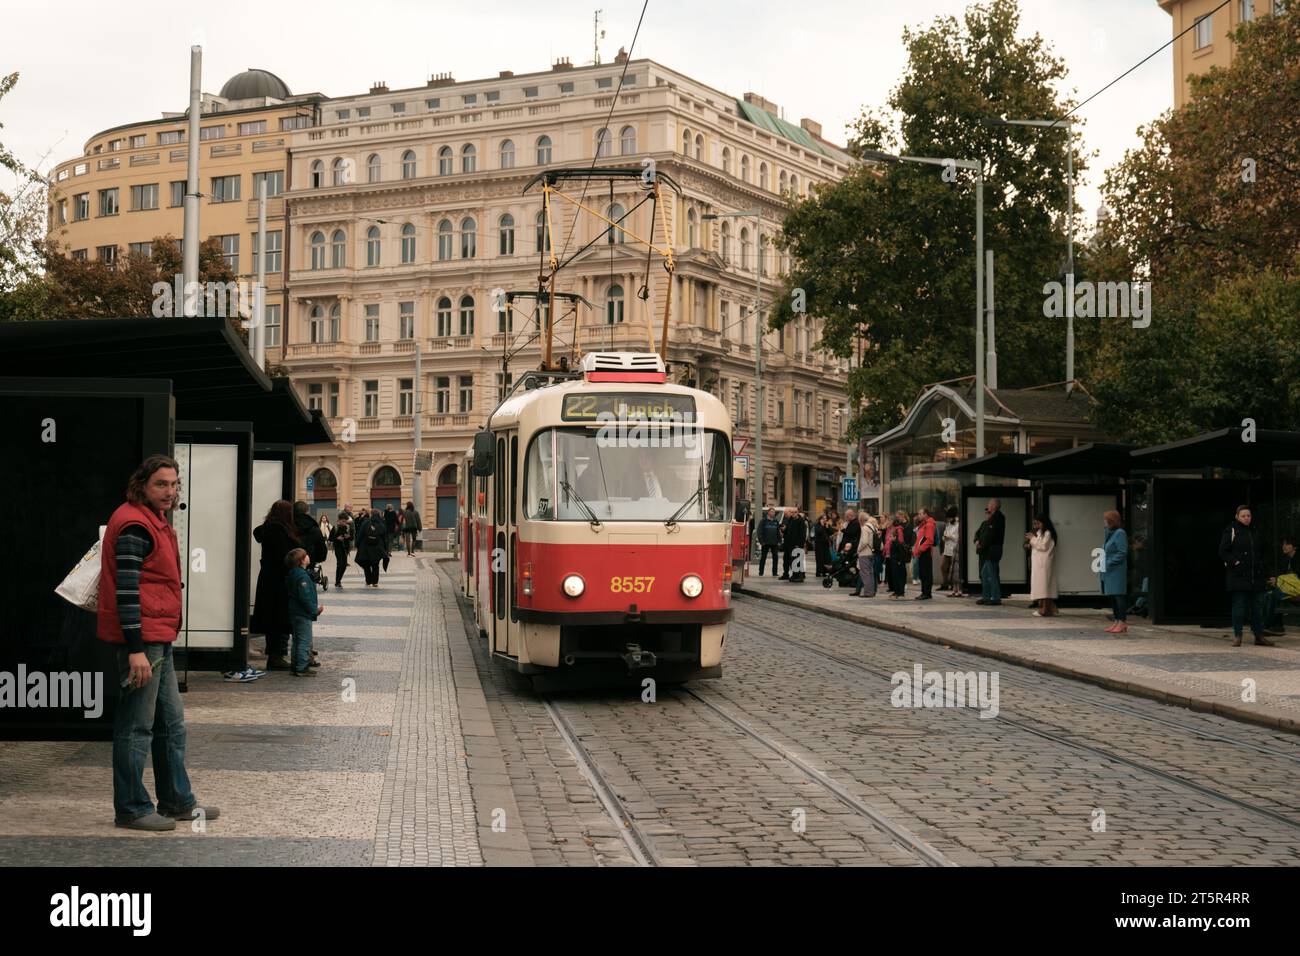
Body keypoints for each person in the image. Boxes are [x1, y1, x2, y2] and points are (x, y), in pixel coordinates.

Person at [98, 454, 219, 831]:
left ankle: (177, 801)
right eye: (161, 484)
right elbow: (127, 592)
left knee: (171, 724)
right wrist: (135, 649)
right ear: (143, 485)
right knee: (136, 726)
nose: (169, 491)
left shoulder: (154, 520)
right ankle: (132, 808)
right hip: (143, 640)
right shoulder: (136, 524)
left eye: (173, 484)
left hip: (158, 636)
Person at [1218, 505, 1275, 647]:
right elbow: (1223, 551)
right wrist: (1236, 563)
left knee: (1258, 607)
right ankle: (1238, 635)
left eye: (1248, 515)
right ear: (1237, 516)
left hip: (1256, 575)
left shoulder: (1255, 531)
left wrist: (1266, 570)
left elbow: (1264, 550)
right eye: (1243, 516)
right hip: (1239, 576)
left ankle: (1259, 635)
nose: (1246, 518)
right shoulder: (1231, 530)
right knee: (1239, 606)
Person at [252, 500, 299, 669]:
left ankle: (275, 654)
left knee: (274, 619)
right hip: (279, 581)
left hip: (268, 579)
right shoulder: (279, 530)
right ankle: (275, 657)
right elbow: (284, 556)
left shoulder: (269, 527)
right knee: (279, 618)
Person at [285, 548, 323, 676]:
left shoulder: (294, 573)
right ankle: (302, 667)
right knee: (304, 641)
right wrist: (315, 610)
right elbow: (305, 597)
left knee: (297, 640)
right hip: (302, 613)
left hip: (295, 612)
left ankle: (295, 666)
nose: (308, 557)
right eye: (306, 555)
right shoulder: (302, 576)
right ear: (301, 561)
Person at [1101, 509, 1129, 634]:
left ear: (1111, 520)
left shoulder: (1120, 533)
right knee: (1112, 596)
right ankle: (1117, 621)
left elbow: (1122, 552)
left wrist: (1110, 562)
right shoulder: (1110, 533)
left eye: (1106, 519)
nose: (1104, 522)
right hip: (1109, 571)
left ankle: (1122, 621)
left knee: (1119, 596)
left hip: (1116, 571)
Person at [1260, 535, 1296, 635]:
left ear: (1294, 547)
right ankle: (1276, 625)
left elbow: (1295, 579)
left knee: (1272, 595)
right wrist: (1276, 580)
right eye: (1283, 544)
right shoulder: (1286, 560)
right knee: (1267, 594)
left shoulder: (1297, 560)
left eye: (1287, 544)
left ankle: (1266, 626)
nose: (1284, 546)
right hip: (1288, 589)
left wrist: (1279, 581)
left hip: (1295, 590)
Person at [1026, 514, 1059, 617]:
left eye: (1038, 523)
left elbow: (1043, 546)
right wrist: (1029, 542)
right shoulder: (1039, 532)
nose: (1036, 525)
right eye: (1035, 523)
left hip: (1044, 564)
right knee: (1041, 586)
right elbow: (1036, 544)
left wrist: (1032, 539)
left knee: (1044, 587)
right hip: (1038, 563)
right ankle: (1046, 609)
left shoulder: (1048, 533)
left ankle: (1045, 609)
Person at [974, 499, 1006, 606]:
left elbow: (991, 536)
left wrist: (982, 545)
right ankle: (986, 596)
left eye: (989, 505)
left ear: (994, 506)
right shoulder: (988, 521)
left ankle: (995, 597)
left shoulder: (998, 518)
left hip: (993, 550)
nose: (988, 508)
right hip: (987, 550)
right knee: (984, 573)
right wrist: (978, 541)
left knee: (991, 574)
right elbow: (979, 534)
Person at [355, 505, 388, 588]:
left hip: (365, 547)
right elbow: (384, 537)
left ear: (371, 515)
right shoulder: (381, 524)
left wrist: (357, 545)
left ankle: (368, 581)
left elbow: (360, 534)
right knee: (375, 565)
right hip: (377, 548)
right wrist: (385, 548)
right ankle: (375, 582)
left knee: (366, 565)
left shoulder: (366, 522)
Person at [883, 511, 913, 599]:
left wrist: (893, 541)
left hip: (898, 556)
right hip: (893, 555)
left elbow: (900, 543)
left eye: (889, 520)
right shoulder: (892, 529)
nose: (887, 522)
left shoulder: (898, 529)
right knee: (894, 574)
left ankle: (901, 592)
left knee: (900, 575)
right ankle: (896, 591)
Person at [913, 507, 936, 600]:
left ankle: (926, 593)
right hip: (922, 552)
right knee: (923, 573)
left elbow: (929, 540)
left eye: (920, 514)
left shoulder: (929, 524)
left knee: (926, 573)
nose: (919, 515)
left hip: (925, 552)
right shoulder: (924, 524)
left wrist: (919, 549)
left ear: (925, 514)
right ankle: (925, 592)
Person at [854, 512, 878, 598]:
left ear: (861, 520)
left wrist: (858, 550)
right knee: (871, 573)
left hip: (865, 553)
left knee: (865, 573)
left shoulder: (865, 528)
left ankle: (868, 592)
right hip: (872, 552)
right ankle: (872, 591)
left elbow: (864, 541)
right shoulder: (874, 527)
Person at [784, 508, 809, 583]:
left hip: (797, 544)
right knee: (793, 561)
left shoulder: (801, 522)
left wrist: (799, 544)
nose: (793, 514)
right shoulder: (791, 520)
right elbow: (788, 531)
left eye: (795, 512)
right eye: (792, 512)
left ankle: (800, 576)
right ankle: (795, 575)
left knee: (798, 561)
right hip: (790, 544)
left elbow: (802, 534)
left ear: (797, 513)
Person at [942, 506, 962, 597]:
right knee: (943, 567)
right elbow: (945, 534)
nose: (948, 519)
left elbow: (957, 538)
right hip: (947, 549)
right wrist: (944, 537)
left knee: (955, 571)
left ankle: (957, 589)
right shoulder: (948, 524)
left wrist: (949, 537)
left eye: (949, 517)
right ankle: (947, 584)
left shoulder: (958, 524)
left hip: (954, 549)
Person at [329, 515, 353, 588]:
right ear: (339, 521)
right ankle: (337, 581)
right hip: (338, 548)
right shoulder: (335, 528)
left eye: (345, 521)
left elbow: (352, 538)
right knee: (340, 564)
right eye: (343, 521)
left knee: (344, 565)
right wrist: (337, 538)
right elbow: (330, 539)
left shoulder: (348, 528)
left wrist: (348, 537)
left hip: (345, 548)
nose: (344, 523)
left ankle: (339, 580)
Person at [757, 507, 781, 577]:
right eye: (772, 512)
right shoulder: (763, 521)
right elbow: (759, 531)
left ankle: (774, 572)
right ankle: (761, 572)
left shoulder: (776, 521)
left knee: (775, 557)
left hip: (774, 542)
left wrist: (779, 540)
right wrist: (762, 541)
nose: (773, 513)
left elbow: (778, 532)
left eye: (774, 512)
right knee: (763, 558)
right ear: (768, 513)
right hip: (765, 542)